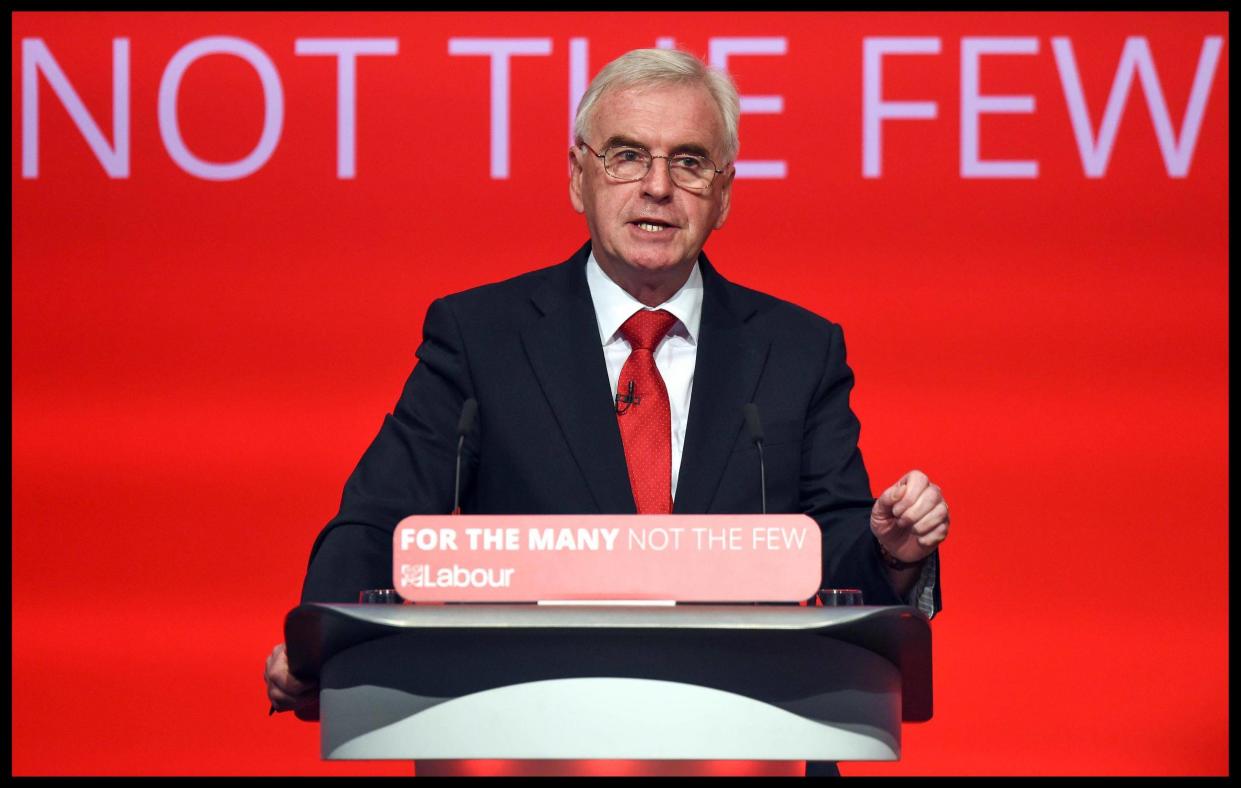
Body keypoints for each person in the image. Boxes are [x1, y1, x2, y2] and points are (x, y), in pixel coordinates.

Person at [265, 47, 949, 776]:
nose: (657, 187)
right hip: (522, 746)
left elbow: (836, 547)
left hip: (753, 748)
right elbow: (379, 517)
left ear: (724, 195)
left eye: (689, 162)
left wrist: (893, 555)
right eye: (627, 155)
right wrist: (318, 648)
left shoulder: (796, 348)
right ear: (577, 176)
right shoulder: (481, 336)